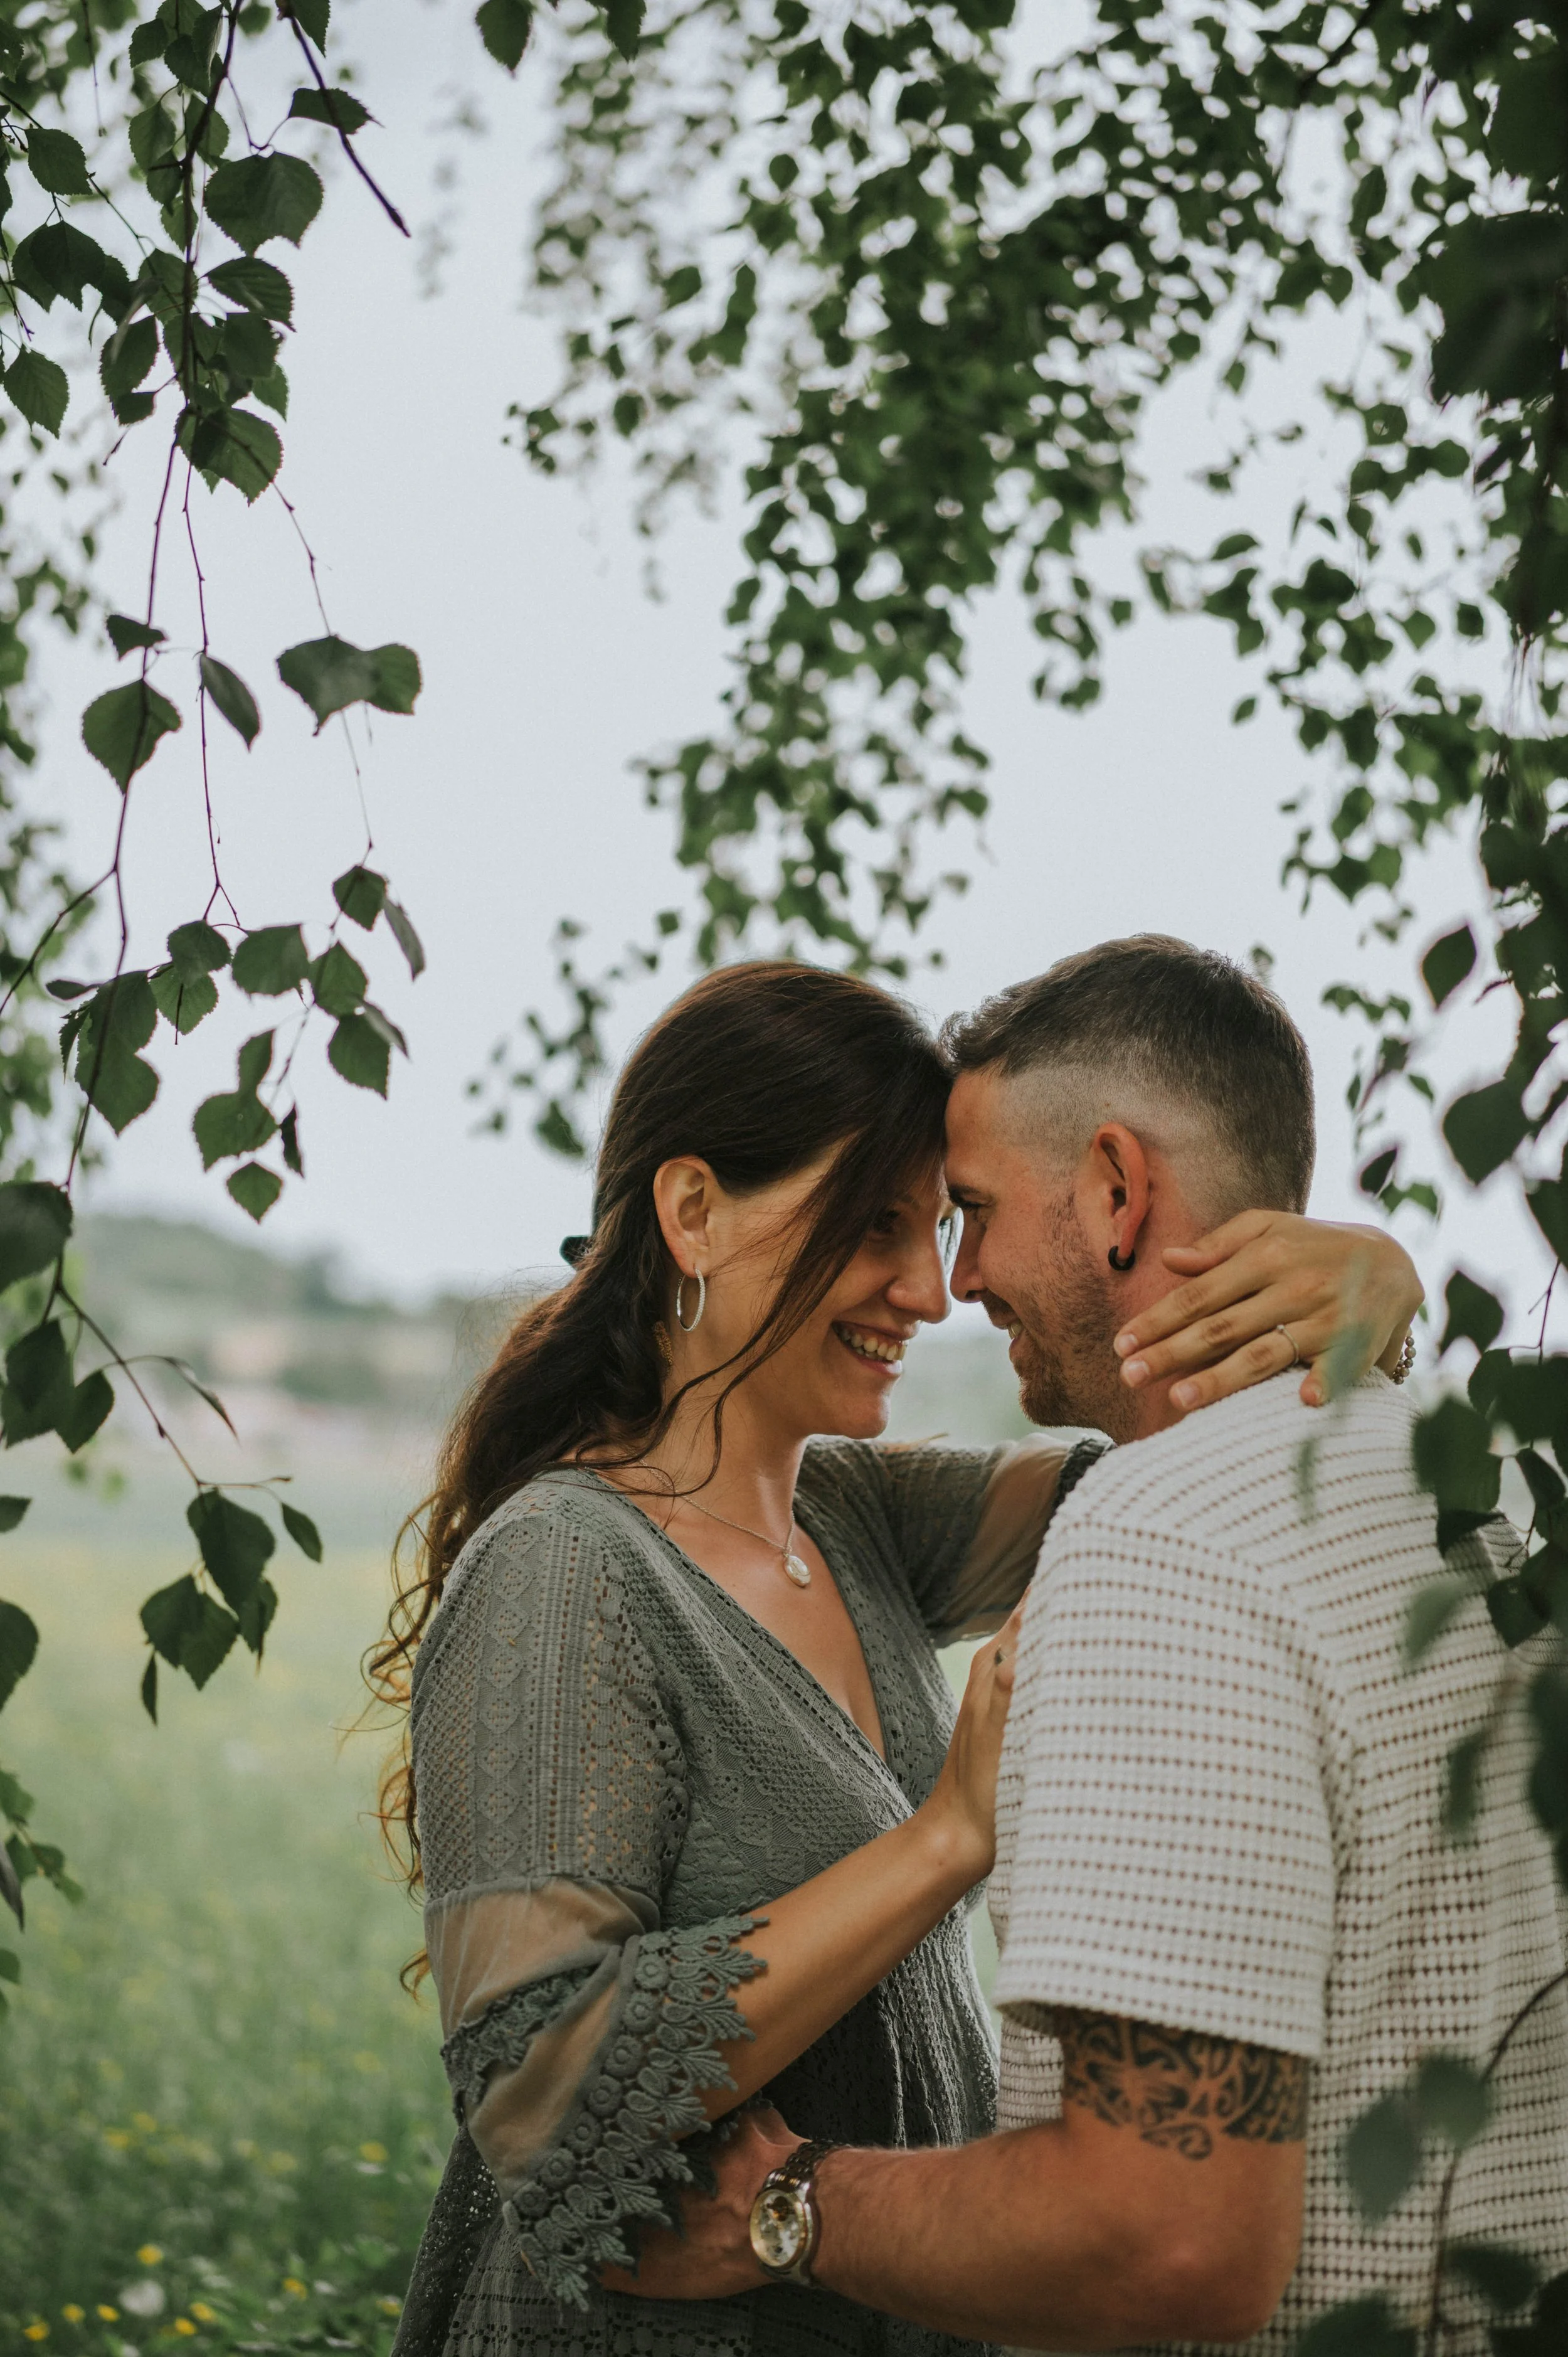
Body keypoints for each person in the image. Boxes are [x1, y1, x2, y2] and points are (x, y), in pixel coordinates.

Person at [378, 957, 1422, 2357]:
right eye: (876, 1226)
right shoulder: (565, 1570)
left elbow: (1173, 1476)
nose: (928, 1292)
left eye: (940, 1226)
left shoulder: (853, 1515)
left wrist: (1373, 1299)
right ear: (691, 1212)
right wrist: (941, 1841)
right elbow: (535, 2091)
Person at [615, 939, 1568, 2356]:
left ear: (1118, 1190)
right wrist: (1387, 1283)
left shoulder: (1156, 1542)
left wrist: (786, 2204)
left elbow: (1162, 2233)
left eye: (973, 1210)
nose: (956, 1277)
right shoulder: (1480, 1490)